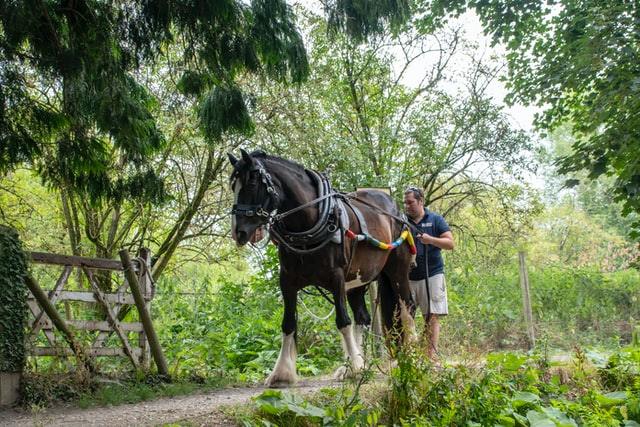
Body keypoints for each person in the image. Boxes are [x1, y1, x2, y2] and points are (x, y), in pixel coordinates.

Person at [403, 187, 454, 360]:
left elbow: (450, 243)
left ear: (421, 201)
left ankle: (430, 356)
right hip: (408, 276)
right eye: (405, 203)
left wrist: (430, 240)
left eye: (410, 202)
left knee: (431, 316)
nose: (407, 206)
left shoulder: (435, 219)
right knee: (405, 316)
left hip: (432, 274)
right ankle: (409, 357)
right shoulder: (402, 221)